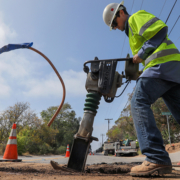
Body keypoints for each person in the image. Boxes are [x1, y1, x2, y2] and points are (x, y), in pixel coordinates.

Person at [103, 1, 180, 177]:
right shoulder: (131, 33)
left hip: (161, 65)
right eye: (112, 26)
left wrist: (142, 54)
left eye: (114, 23)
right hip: (173, 69)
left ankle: (156, 158)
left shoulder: (135, 18)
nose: (115, 28)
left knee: (138, 102)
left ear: (121, 13)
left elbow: (160, 30)